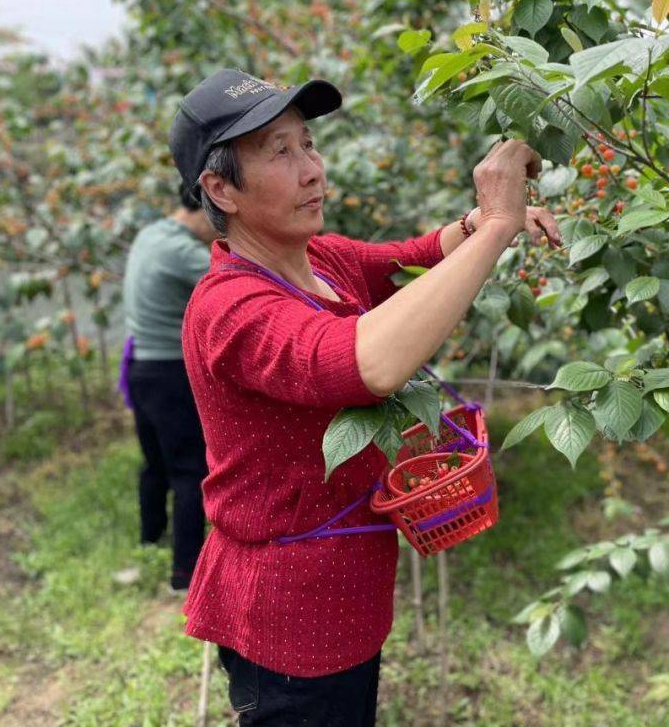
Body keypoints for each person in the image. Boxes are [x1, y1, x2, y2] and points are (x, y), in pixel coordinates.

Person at [169, 68, 561, 726]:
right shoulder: (229, 308)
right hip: (288, 624)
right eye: (280, 152)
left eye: (309, 144)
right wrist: (495, 225)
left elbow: (418, 252)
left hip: (350, 596)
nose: (313, 170)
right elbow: (365, 362)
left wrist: (484, 222)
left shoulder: (320, 257)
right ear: (219, 189)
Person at [120, 185, 217, 592]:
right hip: (171, 375)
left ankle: (150, 540)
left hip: (141, 368)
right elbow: (234, 279)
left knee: (156, 464)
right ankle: (184, 574)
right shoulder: (184, 253)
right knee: (190, 473)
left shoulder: (152, 234)